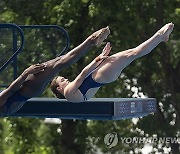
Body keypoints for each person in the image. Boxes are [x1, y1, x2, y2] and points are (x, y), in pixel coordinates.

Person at [0, 26, 110, 115]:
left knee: (59, 61)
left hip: (29, 91)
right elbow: (11, 90)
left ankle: (92, 42)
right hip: (27, 88)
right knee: (58, 64)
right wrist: (26, 73)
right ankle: (91, 40)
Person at [51, 23, 174, 102]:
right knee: (133, 53)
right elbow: (83, 74)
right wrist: (99, 58)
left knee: (132, 54)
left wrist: (101, 60)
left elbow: (88, 81)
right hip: (102, 75)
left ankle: (160, 37)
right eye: (62, 80)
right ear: (59, 88)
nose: (66, 79)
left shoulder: (72, 96)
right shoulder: (67, 93)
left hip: (104, 76)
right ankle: (160, 36)